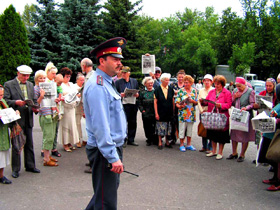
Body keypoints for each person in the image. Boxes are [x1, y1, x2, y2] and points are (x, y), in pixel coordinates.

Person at [83, 37, 127, 210]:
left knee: (102, 196)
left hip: (110, 148)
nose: (119, 63)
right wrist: (112, 156)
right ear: (102, 61)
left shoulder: (107, 82)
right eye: (115, 59)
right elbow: (101, 127)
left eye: (120, 60)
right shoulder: (98, 86)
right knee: (106, 202)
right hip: (104, 151)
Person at [4, 65, 40, 178]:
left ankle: (30, 165)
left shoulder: (30, 84)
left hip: (28, 117)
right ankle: (15, 169)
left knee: (29, 143)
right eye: (24, 75)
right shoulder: (9, 84)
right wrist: (16, 102)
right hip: (16, 118)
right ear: (18, 73)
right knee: (17, 144)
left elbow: (34, 100)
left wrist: (35, 107)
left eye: (28, 75)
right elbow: (5, 100)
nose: (26, 77)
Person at [200, 75, 232, 160]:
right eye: (215, 84)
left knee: (221, 135)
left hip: (222, 116)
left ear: (222, 84)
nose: (216, 86)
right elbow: (206, 102)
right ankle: (213, 151)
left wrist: (221, 105)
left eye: (218, 84)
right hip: (212, 116)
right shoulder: (211, 92)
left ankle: (220, 152)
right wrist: (203, 102)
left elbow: (229, 104)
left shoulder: (227, 93)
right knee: (212, 134)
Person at [227, 77, 255, 162]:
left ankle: (242, 154)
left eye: (240, 86)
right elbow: (231, 103)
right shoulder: (235, 91)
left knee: (245, 135)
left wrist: (246, 108)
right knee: (234, 133)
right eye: (237, 86)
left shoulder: (250, 91)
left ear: (244, 84)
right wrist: (234, 97)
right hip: (236, 114)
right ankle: (234, 152)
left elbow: (253, 104)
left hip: (246, 116)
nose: (238, 88)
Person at [34, 70, 58, 166]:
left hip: (51, 113)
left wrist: (55, 100)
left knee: (51, 136)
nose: (43, 79)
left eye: (44, 78)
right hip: (44, 114)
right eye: (40, 78)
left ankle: (48, 156)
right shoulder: (36, 88)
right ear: (36, 79)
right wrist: (41, 96)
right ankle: (46, 159)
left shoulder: (48, 87)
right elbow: (35, 104)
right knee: (47, 137)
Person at [0, 85, 20, 184]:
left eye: (2, 95)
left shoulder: (2, 101)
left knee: (3, 154)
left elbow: (8, 112)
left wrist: (15, 114)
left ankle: (1, 175)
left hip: (3, 131)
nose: (1, 97)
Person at [115, 66, 139, 146]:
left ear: (129, 73)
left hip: (132, 104)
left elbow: (138, 91)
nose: (123, 74)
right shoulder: (118, 82)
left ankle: (131, 139)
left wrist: (137, 94)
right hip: (123, 104)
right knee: (123, 122)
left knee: (132, 122)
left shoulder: (134, 81)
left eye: (125, 72)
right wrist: (120, 94)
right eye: (122, 72)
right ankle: (123, 139)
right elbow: (114, 93)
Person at [58, 67, 79, 152]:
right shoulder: (61, 85)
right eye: (66, 76)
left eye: (69, 76)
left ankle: (70, 142)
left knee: (72, 125)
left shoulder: (71, 84)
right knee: (65, 125)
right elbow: (61, 95)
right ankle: (65, 143)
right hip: (65, 108)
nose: (68, 78)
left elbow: (75, 93)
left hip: (72, 107)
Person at [175, 75, 198, 152]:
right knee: (182, 129)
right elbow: (177, 103)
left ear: (191, 83)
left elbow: (197, 102)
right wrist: (180, 105)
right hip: (183, 113)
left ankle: (189, 144)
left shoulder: (194, 91)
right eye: (184, 82)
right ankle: (181, 144)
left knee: (190, 129)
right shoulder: (181, 91)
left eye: (187, 82)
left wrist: (193, 101)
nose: (185, 84)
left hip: (191, 113)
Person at [154, 73, 174, 150]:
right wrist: (156, 113)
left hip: (168, 111)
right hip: (160, 110)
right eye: (166, 80)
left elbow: (172, 100)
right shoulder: (157, 89)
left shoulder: (170, 89)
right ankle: (160, 141)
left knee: (168, 126)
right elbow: (155, 102)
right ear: (162, 80)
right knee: (160, 126)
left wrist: (173, 110)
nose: (167, 81)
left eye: (168, 80)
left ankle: (167, 141)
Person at [45, 62, 61, 157]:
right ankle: (46, 151)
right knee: (48, 132)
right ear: (48, 72)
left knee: (55, 130)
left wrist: (58, 98)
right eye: (53, 73)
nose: (54, 75)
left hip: (56, 108)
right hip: (48, 110)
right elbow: (45, 98)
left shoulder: (53, 83)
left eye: (55, 73)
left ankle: (54, 148)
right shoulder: (45, 83)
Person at [197, 74, 214, 152]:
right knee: (203, 128)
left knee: (210, 129)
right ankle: (204, 145)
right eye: (205, 81)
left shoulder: (213, 90)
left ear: (211, 82)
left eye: (208, 81)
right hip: (203, 112)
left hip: (211, 112)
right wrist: (201, 110)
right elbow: (198, 101)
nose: (207, 82)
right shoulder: (201, 90)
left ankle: (210, 146)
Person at [139, 77, 157, 146]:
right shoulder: (142, 92)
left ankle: (155, 139)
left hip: (154, 112)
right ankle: (149, 139)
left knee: (155, 126)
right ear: (145, 84)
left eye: (151, 83)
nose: (150, 85)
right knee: (147, 126)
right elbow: (139, 102)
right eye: (149, 83)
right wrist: (142, 110)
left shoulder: (155, 91)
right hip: (146, 112)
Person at [170, 69, 185, 144]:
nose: (181, 78)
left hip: (184, 106)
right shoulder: (173, 84)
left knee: (182, 123)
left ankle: (182, 138)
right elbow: (170, 93)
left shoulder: (186, 85)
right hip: (174, 105)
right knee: (173, 122)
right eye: (179, 77)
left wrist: (177, 93)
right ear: (177, 77)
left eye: (182, 77)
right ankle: (173, 138)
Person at [74, 73, 85, 148]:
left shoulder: (85, 87)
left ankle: (85, 139)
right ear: (77, 80)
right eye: (81, 80)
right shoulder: (74, 87)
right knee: (77, 124)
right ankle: (78, 140)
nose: (83, 81)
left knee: (84, 125)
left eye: (83, 80)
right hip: (77, 107)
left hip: (84, 108)